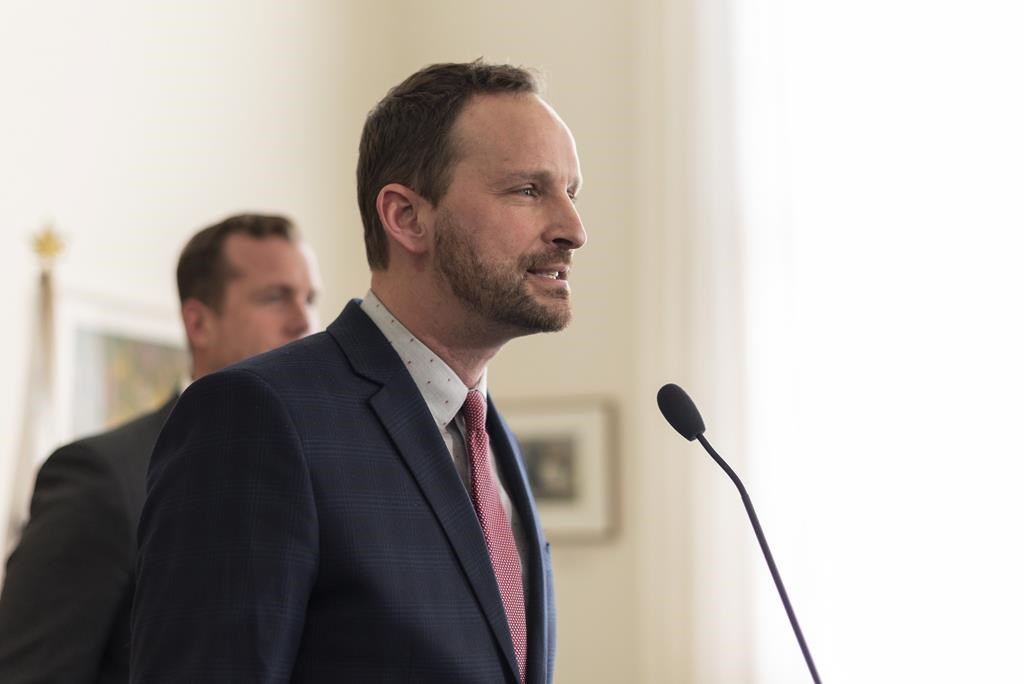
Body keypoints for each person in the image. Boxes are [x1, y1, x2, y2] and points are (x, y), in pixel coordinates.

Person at [131, 60, 586, 684]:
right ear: (406, 218)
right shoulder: (257, 416)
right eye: (528, 191)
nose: (573, 230)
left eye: (570, 192)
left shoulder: (482, 434)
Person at [0, 213, 319, 684]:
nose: (304, 321)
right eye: (275, 297)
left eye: (310, 298)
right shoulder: (102, 478)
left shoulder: (328, 469)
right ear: (199, 323)